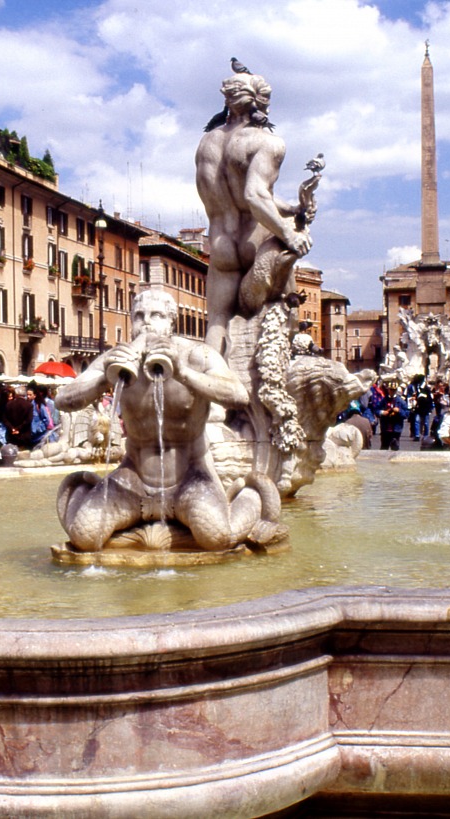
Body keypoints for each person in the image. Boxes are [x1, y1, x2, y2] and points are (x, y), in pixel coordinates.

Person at [55, 288, 278, 552]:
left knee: (217, 537)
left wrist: (183, 372)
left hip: (189, 478)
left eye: (157, 315)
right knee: (85, 538)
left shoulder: (197, 355)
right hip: (133, 478)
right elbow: (64, 399)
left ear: (171, 321)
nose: (146, 322)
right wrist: (104, 377)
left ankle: (250, 496)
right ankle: (83, 490)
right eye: (138, 316)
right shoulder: (116, 360)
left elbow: (238, 395)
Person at [195, 67, 312, 353]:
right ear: (262, 104)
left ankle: (214, 393)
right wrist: (288, 231)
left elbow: (240, 196)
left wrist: (292, 207)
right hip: (254, 241)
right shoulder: (268, 143)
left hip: (221, 243)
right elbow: (255, 195)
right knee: (281, 311)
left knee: (217, 324)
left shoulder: (206, 143)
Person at [378, 386, 408, 451]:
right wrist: (382, 412)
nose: (392, 391)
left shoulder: (401, 401)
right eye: (391, 390)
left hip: (396, 429)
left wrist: (399, 411)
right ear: (388, 390)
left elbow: (406, 414)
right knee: (384, 447)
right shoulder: (384, 400)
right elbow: (376, 410)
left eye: (394, 390)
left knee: (395, 448)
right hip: (385, 429)